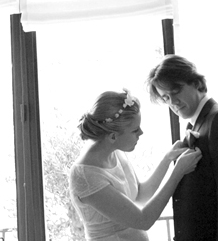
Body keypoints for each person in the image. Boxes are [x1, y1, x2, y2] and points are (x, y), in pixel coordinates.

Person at [146, 55, 218, 241]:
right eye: (166, 97)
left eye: (176, 91)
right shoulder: (196, 124)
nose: (173, 102)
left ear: (197, 84)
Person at [69, 89, 203, 241]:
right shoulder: (86, 176)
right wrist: (177, 172)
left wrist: (167, 159)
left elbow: (140, 195)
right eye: (135, 130)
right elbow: (143, 220)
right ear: (113, 136)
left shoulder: (116, 152)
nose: (141, 133)